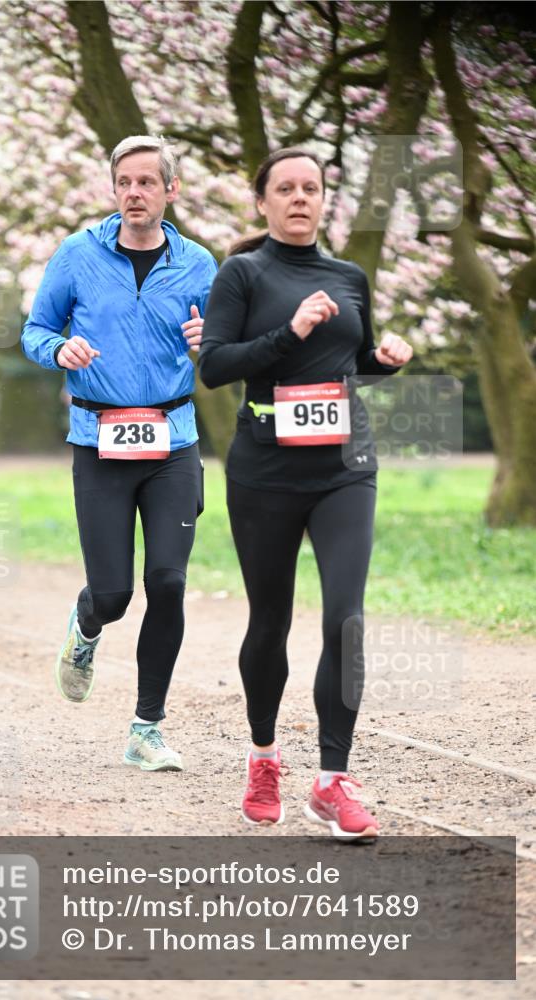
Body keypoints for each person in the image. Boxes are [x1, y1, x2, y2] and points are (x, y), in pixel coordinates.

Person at [199, 148, 413, 839]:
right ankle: (263, 757)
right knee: (270, 621)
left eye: (311, 189)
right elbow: (215, 366)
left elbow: (347, 364)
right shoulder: (242, 273)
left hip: (344, 466)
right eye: (284, 189)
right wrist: (288, 330)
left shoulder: (348, 276)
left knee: (344, 619)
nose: (299, 199)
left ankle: (331, 780)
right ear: (262, 202)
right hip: (264, 469)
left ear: (324, 200)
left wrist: (379, 363)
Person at [22, 135, 217, 772]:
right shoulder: (78, 255)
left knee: (167, 580)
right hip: (100, 444)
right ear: (114, 189)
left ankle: (146, 729)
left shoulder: (198, 264)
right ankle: (85, 629)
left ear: (170, 191)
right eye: (124, 182)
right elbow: (35, 330)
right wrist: (59, 351)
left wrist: (207, 339)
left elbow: (227, 348)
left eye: (146, 182)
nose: (134, 193)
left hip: (172, 442)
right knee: (113, 594)